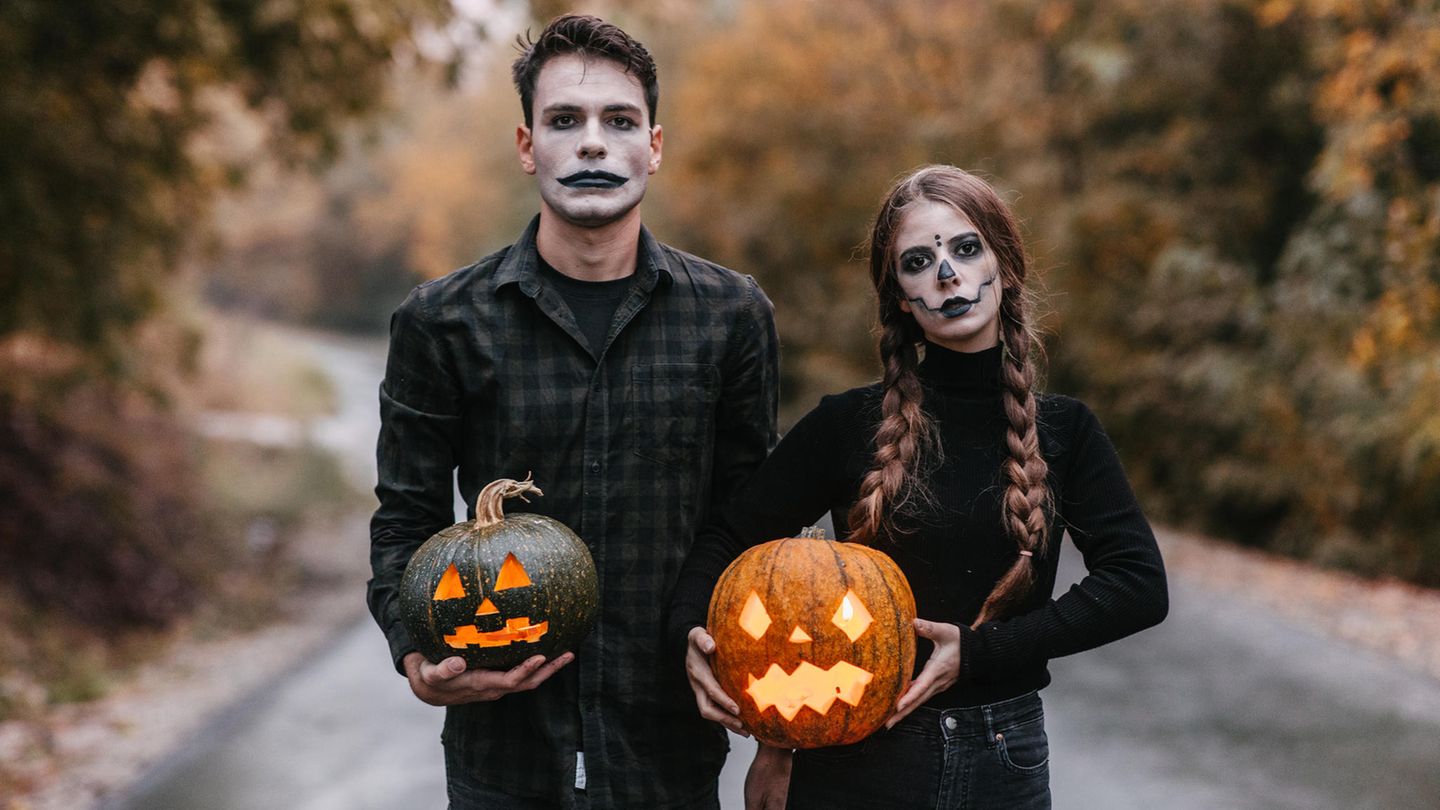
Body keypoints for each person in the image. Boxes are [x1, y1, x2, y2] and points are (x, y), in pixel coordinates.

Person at [368, 14, 779, 810]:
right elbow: (404, 521)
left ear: (654, 147)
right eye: (565, 120)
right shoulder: (440, 321)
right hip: (504, 754)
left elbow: (752, 532)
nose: (592, 144)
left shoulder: (731, 315)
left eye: (618, 121)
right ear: (528, 148)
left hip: (670, 750)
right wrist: (413, 652)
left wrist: (777, 734)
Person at [669, 165, 1169, 809]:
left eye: (965, 249)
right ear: (900, 298)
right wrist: (694, 640)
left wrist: (982, 652)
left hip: (1002, 757)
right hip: (853, 756)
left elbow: (1138, 585)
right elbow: (730, 538)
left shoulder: (1067, 430)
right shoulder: (844, 425)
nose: (946, 274)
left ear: (1005, 264)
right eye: (917, 262)